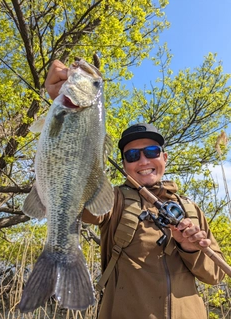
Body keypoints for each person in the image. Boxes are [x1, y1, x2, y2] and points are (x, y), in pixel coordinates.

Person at [45, 60, 225, 319]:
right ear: (124, 163)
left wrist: (191, 249)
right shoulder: (114, 200)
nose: (143, 161)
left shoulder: (190, 208)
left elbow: (214, 274)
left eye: (151, 152)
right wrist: (63, 116)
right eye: (132, 155)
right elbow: (77, 201)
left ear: (164, 158)